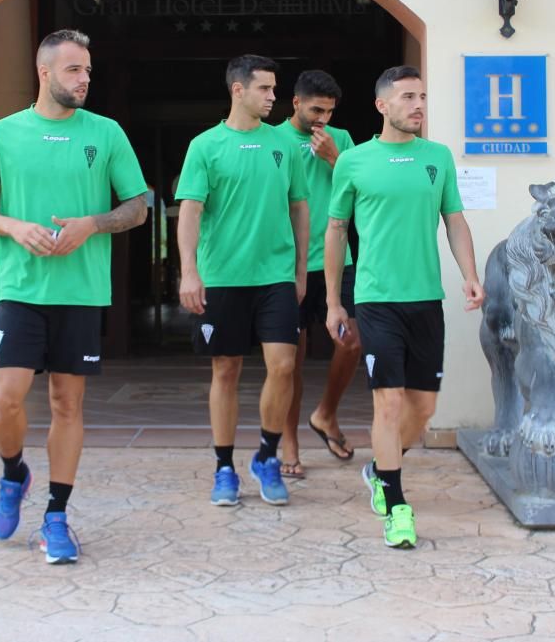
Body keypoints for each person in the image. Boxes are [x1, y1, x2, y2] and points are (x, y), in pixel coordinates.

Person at [0, 29, 147, 564]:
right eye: (73, 70)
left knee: (68, 403)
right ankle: (13, 472)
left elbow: (137, 206)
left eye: (87, 70)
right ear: (44, 73)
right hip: (22, 288)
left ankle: (57, 516)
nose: (84, 79)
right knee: (6, 398)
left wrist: (92, 223)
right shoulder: (2, 134)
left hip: (81, 291)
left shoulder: (106, 133)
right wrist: (15, 227)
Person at [325, 65, 484, 549]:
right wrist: (335, 301)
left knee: (423, 408)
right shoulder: (354, 161)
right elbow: (335, 230)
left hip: (425, 299)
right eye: (408, 97)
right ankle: (396, 505)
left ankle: (379, 467)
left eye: (422, 97)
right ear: (382, 106)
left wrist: (470, 275)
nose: (418, 105)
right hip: (375, 299)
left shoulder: (437, 158)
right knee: (388, 401)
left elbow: (454, 220)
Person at [176, 55, 309, 507]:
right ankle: (224, 467)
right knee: (226, 370)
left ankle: (267, 456)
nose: (274, 96)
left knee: (284, 366)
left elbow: (299, 209)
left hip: (275, 277)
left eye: (274, 89)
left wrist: (299, 273)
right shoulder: (205, 146)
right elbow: (190, 213)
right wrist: (189, 272)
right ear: (238, 90)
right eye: (265, 89)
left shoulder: (285, 145)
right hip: (223, 278)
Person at [275, 70, 361, 477]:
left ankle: (325, 414)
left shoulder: (340, 140)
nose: (322, 118)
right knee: (291, 359)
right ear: (295, 103)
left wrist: (333, 157)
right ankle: (289, 440)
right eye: (315, 109)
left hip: (335, 261)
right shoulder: (272, 139)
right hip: (286, 265)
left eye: (329, 111)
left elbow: (365, 185)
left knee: (351, 342)